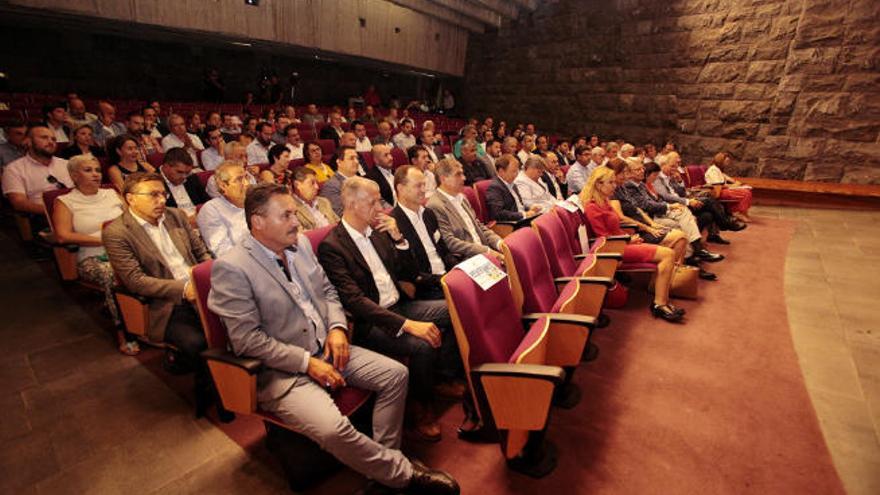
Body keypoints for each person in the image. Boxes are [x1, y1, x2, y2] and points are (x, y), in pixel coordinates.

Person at [208, 182, 459, 494]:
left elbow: (328, 292)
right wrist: (307, 363)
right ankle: (402, 474)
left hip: (329, 346)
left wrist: (338, 329)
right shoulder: (232, 268)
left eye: (294, 214)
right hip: (283, 370)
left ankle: (381, 471)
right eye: (285, 215)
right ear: (257, 222)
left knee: (396, 375)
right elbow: (247, 340)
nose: (296, 221)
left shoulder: (299, 245)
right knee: (333, 428)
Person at [317, 177, 460, 442]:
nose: (380, 208)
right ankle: (420, 409)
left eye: (380, 201)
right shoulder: (333, 246)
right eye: (372, 202)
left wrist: (398, 238)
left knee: (455, 308)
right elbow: (355, 301)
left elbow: (408, 273)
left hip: (401, 305)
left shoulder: (381, 232)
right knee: (421, 345)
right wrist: (406, 325)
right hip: (372, 322)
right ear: (350, 203)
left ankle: (443, 376)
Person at [103, 172, 223, 417]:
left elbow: (202, 255)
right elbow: (136, 281)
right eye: (153, 195)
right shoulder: (118, 232)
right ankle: (212, 394)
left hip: (200, 291)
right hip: (165, 304)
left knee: (239, 324)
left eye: (163, 194)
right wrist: (183, 289)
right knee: (199, 343)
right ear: (130, 199)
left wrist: (205, 277)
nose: (161, 200)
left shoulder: (176, 216)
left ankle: (229, 384)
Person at [51, 155, 135, 354]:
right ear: (73, 175)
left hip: (125, 249)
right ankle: (124, 332)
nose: (96, 174)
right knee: (111, 273)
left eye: (97, 170)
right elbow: (62, 236)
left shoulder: (112, 193)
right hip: (93, 256)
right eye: (88, 170)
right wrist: (105, 239)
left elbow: (133, 219)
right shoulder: (65, 201)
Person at [581, 167, 684, 323]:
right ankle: (660, 304)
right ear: (598, 184)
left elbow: (615, 229)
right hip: (615, 249)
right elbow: (604, 238)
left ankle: (662, 300)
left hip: (622, 243)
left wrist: (629, 237)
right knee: (668, 254)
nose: (614, 186)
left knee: (671, 249)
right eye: (611, 182)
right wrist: (628, 240)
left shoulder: (605, 202)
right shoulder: (592, 207)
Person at [392, 165, 460, 299]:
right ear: (401, 188)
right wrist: (443, 280)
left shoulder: (428, 214)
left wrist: (459, 271)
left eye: (424, 185)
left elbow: (444, 251)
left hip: (447, 277)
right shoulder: (394, 224)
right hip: (426, 288)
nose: (424, 190)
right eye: (418, 186)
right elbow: (409, 272)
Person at [426, 158, 504, 259]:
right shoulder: (435, 205)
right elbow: (450, 242)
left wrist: (499, 242)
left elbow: (478, 226)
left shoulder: (462, 197)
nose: (464, 178)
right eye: (458, 174)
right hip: (466, 259)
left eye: (463, 174)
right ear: (443, 179)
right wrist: (486, 251)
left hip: (484, 251)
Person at [2, 125, 72, 226]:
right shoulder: (13, 169)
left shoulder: (67, 164)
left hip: (78, 212)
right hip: (44, 218)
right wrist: (58, 211)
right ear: (29, 142)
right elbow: (19, 203)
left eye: (53, 139)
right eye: (44, 137)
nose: (51, 142)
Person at [197, 161, 249, 257]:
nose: (246, 183)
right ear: (223, 186)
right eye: (239, 179)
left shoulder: (255, 202)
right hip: (242, 264)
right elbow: (223, 252)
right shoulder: (211, 210)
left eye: (246, 177)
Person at [486, 154, 542, 222]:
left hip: (523, 219)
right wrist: (523, 214)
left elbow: (519, 204)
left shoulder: (513, 184)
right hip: (512, 225)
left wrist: (531, 208)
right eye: (513, 171)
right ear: (501, 172)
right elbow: (498, 213)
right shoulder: (495, 188)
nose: (516, 174)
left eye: (517, 171)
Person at [160, 147, 210, 218]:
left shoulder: (191, 177)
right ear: (166, 166)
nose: (184, 177)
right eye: (179, 172)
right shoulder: (153, 183)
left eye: (187, 173)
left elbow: (206, 202)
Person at [706, 152, 753, 222]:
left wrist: (734, 184)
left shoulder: (718, 169)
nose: (728, 163)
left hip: (721, 189)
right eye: (727, 161)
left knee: (747, 190)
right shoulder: (713, 170)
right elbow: (718, 187)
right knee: (745, 193)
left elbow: (724, 180)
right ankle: (738, 212)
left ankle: (742, 212)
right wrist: (733, 186)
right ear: (720, 160)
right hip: (717, 192)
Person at [290, 166, 339, 230]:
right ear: (297, 185)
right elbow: (303, 237)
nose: (317, 187)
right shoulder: (291, 209)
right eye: (312, 183)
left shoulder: (324, 201)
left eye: (317, 183)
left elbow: (338, 223)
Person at [320, 145, 360, 216]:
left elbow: (379, 201)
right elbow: (341, 214)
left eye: (357, 158)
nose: (356, 162)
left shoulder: (362, 180)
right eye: (351, 158)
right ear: (339, 162)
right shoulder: (331, 186)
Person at [366, 144, 396, 208]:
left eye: (390, 154)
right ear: (376, 160)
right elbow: (379, 201)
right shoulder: (370, 178)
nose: (391, 158)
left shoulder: (395, 172)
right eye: (386, 155)